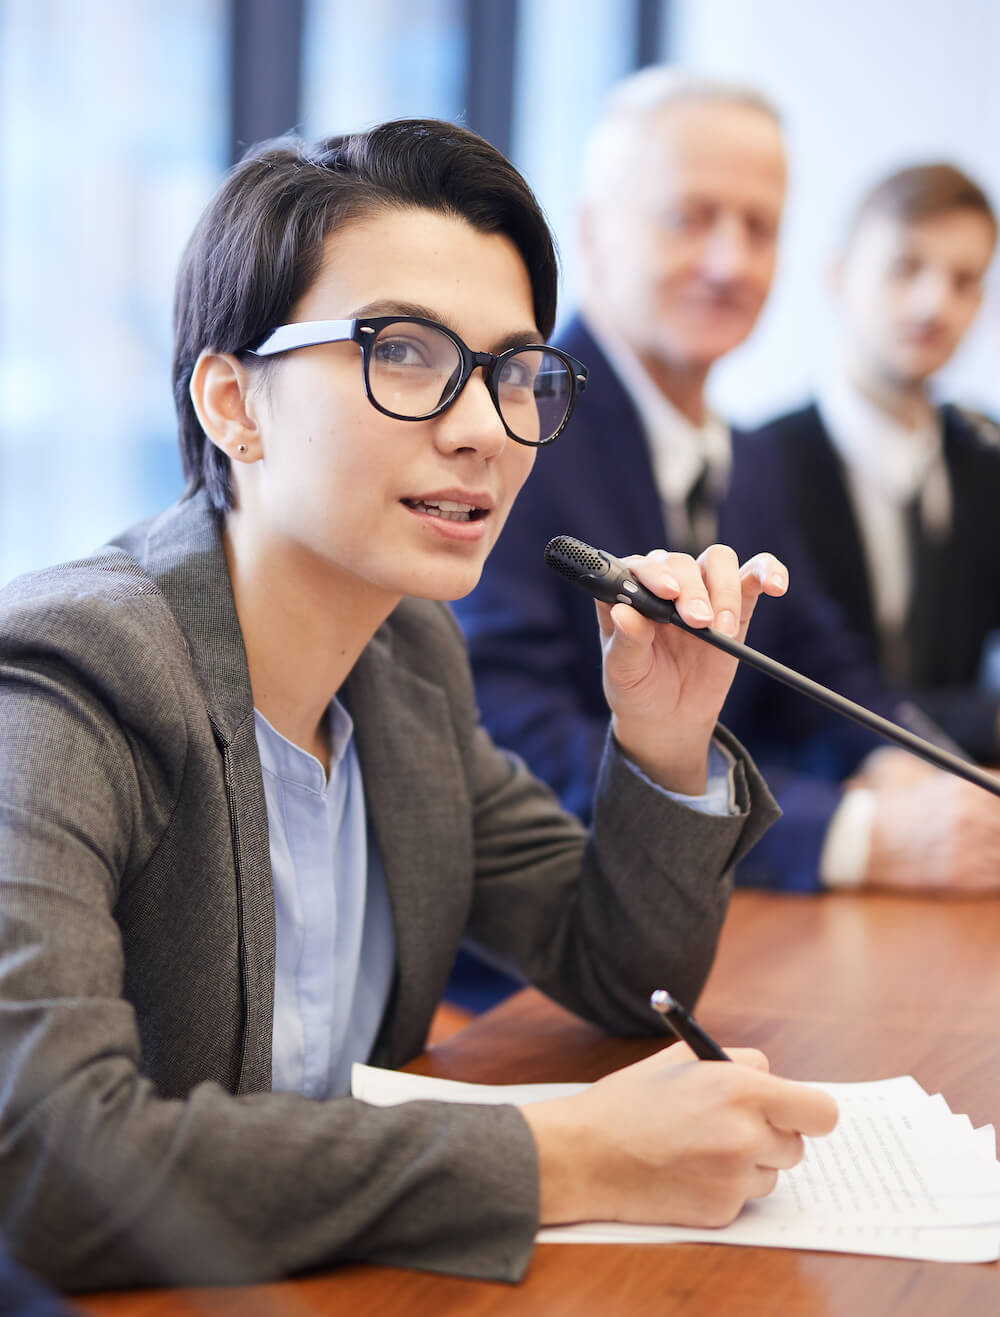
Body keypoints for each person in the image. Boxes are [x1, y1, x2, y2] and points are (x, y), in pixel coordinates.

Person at [0, 119, 837, 1292]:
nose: (483, 428)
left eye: (512, 372)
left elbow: (616, 968)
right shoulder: (65, 679)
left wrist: (660, 739)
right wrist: (566, 1154)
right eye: (402, 352)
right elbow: (47, 1167)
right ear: (232, 402)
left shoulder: (405, 661)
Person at [455, 68, 1000, 895]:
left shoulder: (748, 457)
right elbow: (510, 735)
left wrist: (917, 767)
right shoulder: (515, 429)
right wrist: (854, 834)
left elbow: (824, 672)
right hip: (542, 952)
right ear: (594, 232)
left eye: (760, 226)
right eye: (690, 218)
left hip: (714, 919)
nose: (730, 261)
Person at [749, 163, 1000, 767]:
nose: (933, 303)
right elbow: (780, 695)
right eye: (905, 267)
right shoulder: (760, 462)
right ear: (838, 275)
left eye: (965, 280)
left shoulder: (987, 461)